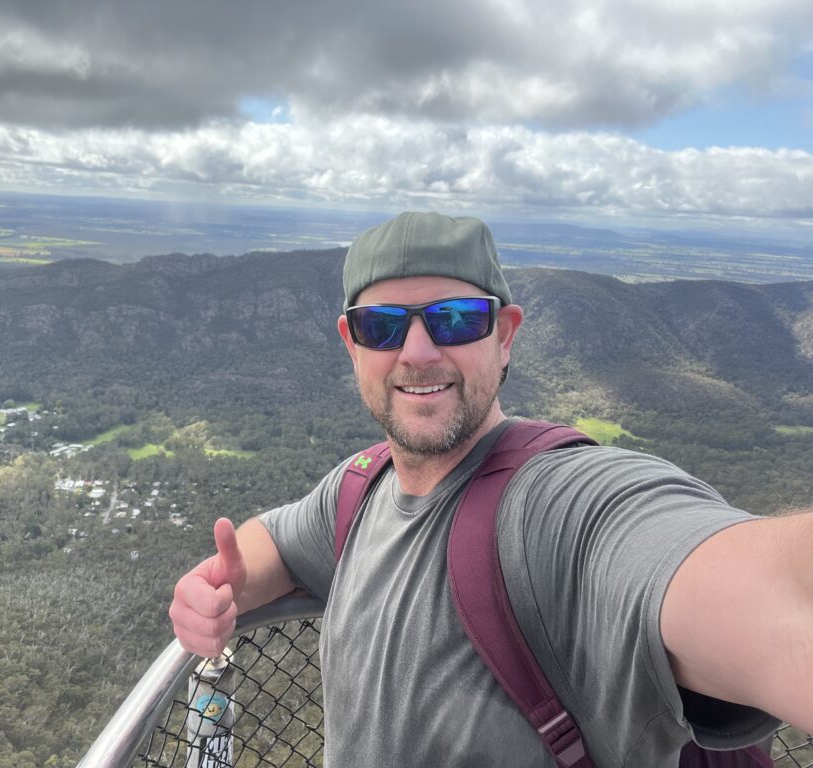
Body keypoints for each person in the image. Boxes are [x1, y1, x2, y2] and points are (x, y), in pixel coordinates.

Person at [168, 212, 812, 766]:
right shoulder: (360, 489)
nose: (417, 352)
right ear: (352, 345)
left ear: (504, 336)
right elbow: (276, 540)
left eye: (454, 320)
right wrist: (222, 588)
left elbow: (766, 587)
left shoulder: (559, 506)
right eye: (381, 326)